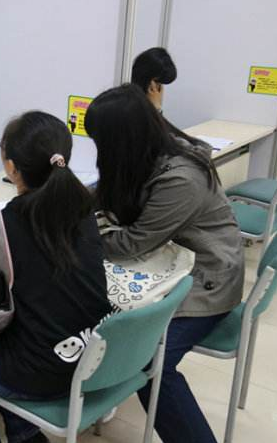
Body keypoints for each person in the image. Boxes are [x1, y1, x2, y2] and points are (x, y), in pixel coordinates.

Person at [0, 111, 112, 443]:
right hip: (91, 357)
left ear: (11, 167)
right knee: (18, 334)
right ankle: (24, 433)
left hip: (45, 374)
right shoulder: (83, 207)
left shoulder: (1, 225)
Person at [86, 84, 244, 443]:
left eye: (101, 141)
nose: (99, 150)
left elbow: (132, 243)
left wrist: (81, 237)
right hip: (171, 264)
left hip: (207, 280)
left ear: (122, 139)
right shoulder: (147, 153)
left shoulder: (181, 177)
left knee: (151, 362)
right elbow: (108, 196)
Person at [131, 47, 208, 148]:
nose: (159, 90)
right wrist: (155, 109)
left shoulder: (145, 108)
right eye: (158, 84)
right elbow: (152, 142)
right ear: (149, 83)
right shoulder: (128, 108)